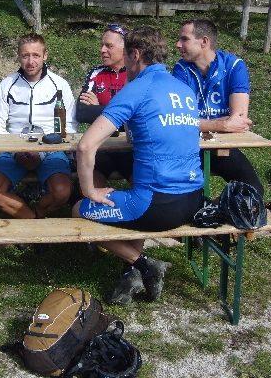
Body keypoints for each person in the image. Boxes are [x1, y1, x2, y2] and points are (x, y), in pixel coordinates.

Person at [73, 27, 204, 305]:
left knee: (77, 210)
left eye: (126, 57)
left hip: (158, 205)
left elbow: (85, 146)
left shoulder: (136, 89)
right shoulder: (184, 90)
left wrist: (89, 191)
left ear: (134, 55)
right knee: (134, 194)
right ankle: (131, 273)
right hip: (194, 198)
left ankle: (145, 265)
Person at [0, 33, 78, 220]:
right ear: (18, 56)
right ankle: (32, 220)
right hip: (13, 148)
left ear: (45, 55)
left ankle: (39, 212)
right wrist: (15, 149)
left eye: (36, 55)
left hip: (51, 149)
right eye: (25, 55)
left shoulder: (59, 84)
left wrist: (44, 150)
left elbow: (69, 125)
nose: (30, 61)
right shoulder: (7, 84)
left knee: (62, 192)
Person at [173, 18, 263, 196]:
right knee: (186, 198)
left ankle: (217, 207)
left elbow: (239, 119)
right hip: (188, 148)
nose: (177, 44)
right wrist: (223, 124)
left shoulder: (233, 66)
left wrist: (198, 123)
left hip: (222, 146)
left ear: (204, 41)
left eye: (184, 39)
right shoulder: (181, 69)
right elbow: (179, 120)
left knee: (254, 191)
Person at [76, 23, 132, 187]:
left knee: (143, 185)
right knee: (90, 183)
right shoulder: (96, 73)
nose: (102, 50)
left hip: (130, 147)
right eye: (102, 45)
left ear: (125, 49)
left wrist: (98, 108)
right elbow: (81, 112)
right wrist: (123, 114)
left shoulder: (135, 73)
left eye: (109, 46)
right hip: (102, 146)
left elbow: (140, 115)